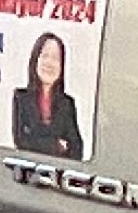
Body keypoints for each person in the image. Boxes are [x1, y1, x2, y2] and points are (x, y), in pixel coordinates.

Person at [10, 31, 84, 159]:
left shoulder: (67, 103)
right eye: (45, 56)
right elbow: (22, 141)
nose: (49, 63)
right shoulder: (21, 98)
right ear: (35, 60)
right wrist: (56, 145)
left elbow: (77, 147)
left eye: (55, 58)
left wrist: (39, 141)